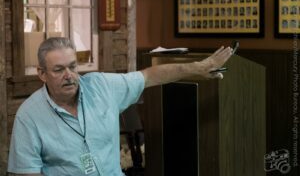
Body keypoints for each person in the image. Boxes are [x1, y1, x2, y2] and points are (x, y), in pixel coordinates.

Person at [8, 37, 232, 176]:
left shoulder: (101, 86)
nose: (69, 76)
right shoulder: (29, 115)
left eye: (73, 67)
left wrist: (199, 67)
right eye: (58, 70)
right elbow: (27, 173)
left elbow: (150, 75)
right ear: (41, 74)